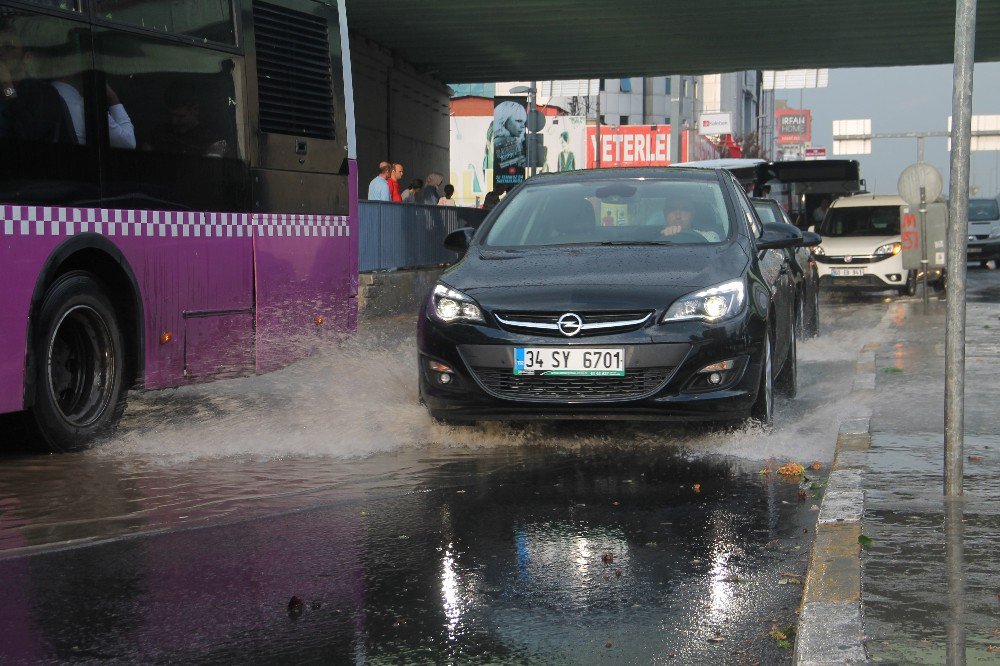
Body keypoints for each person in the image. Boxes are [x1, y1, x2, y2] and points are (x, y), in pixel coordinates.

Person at [146, 81, 228, 157]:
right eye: (170, 115)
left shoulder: (211, 140)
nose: (174, 121)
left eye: (180, 116)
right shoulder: (159, 134)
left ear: (195, 109)